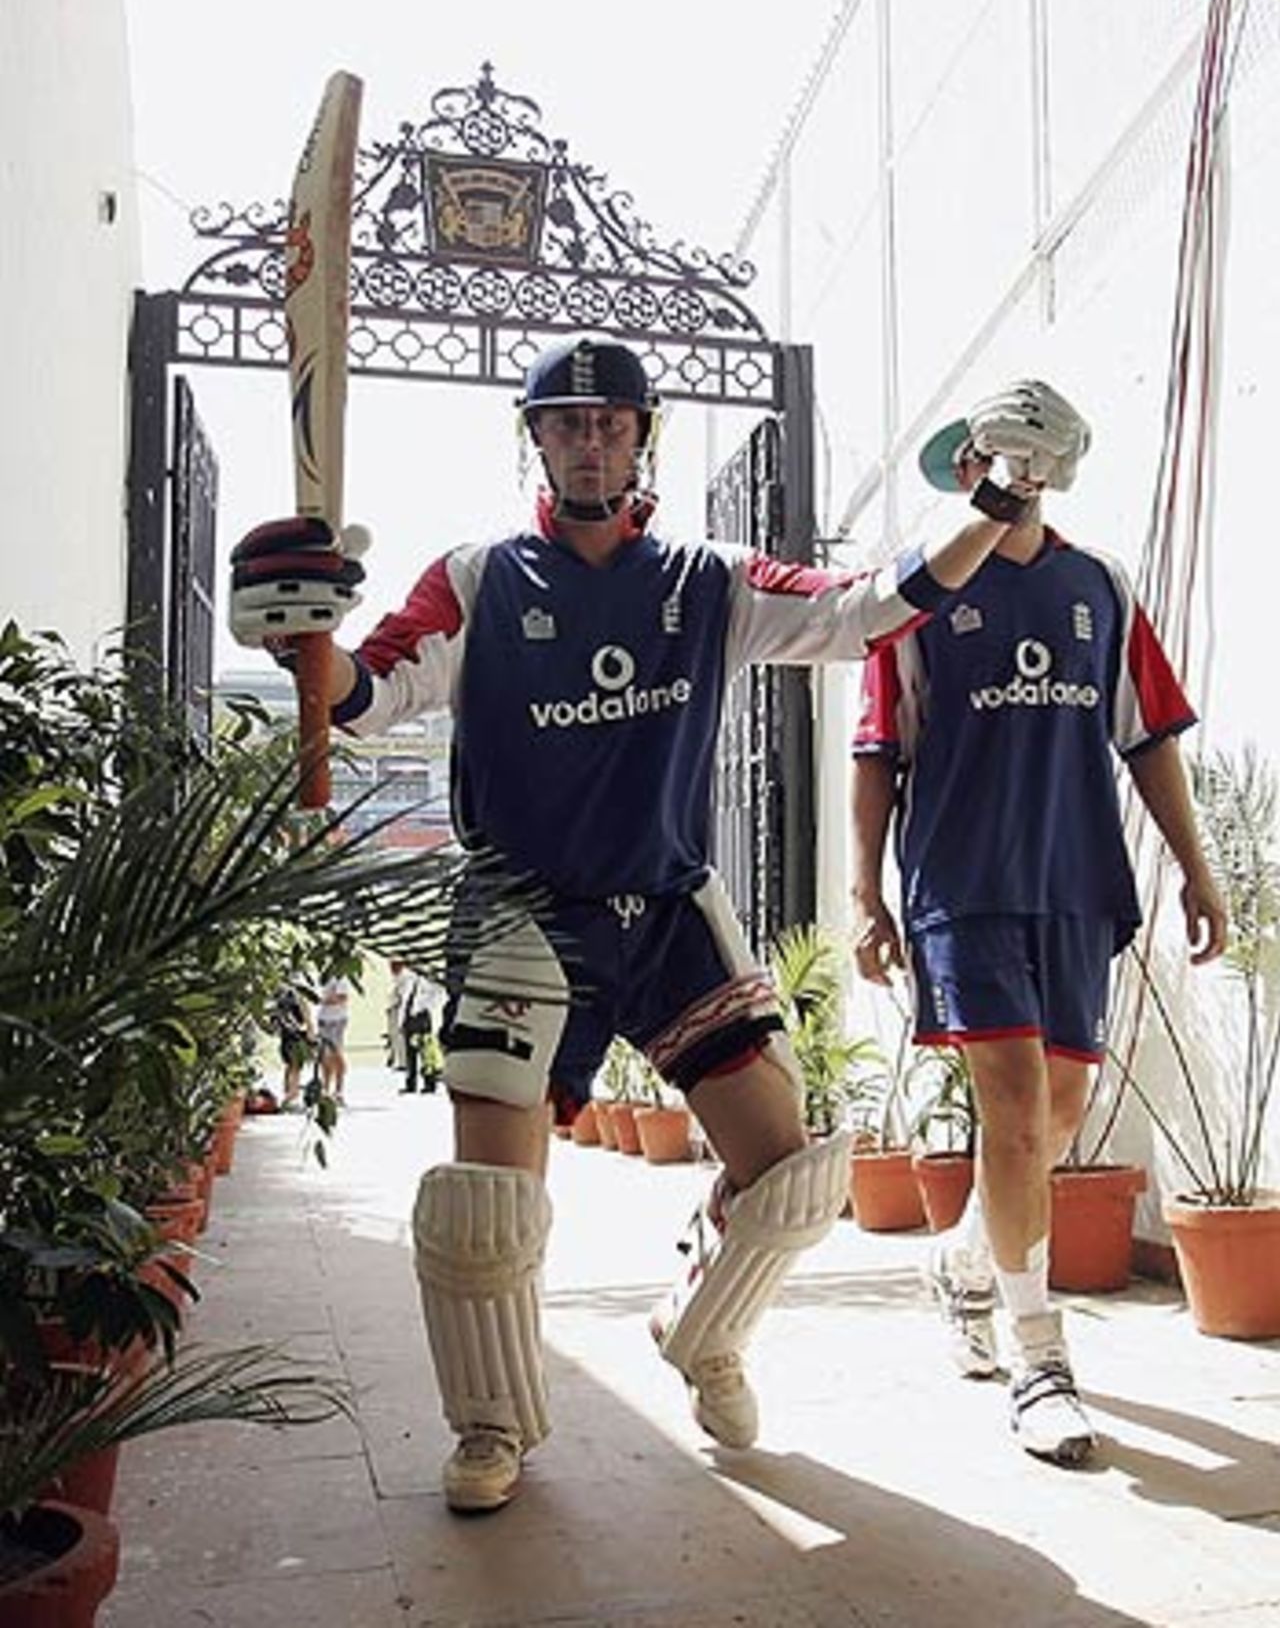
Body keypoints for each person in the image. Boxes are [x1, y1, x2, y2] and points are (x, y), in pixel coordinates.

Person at [229, 331, 1020, 1515]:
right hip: (518, 911)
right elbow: (364, 696)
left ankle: (701, 1336)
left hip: (665, 906)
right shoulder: (478, 578)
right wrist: (305, 636)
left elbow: (864, 610)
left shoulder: (706, 579)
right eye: (565, 422)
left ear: (641, 437)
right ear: (533, 439)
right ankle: (489, 1422)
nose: (588, 442)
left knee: (795, 1172)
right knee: (485, 1200)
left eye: (610, 422)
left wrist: (997, 504)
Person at [849, 378, 1227, 1467]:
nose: (990, 483)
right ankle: (1037, 1356)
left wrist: (1195, 874)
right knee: (1011, 1107)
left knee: (1057, 1113)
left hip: (1075, 879)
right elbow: (876, 756)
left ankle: (970, 1258)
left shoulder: (1095, 585)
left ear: (1043, 468)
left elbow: (1145, 735)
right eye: (977, 465)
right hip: (959, 883)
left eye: (1011, 465)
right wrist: (865, 894)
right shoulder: (916, 596)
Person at [269, 982, 314, 1111]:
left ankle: (289, 1096)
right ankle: (291, 1097)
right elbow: (305, 1011)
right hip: (295, 1036)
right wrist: (310, 1029)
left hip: (287, 1035)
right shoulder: (293, 993)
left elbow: (274, 1021)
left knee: (291, 1066)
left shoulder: (278, 995)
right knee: (295, 1067)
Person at [399, 967, 444, 1094]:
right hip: (409, 1017)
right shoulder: (410, 978)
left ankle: (429, 1083)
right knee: (410, 1053)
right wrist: (401, 1021)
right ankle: (410, 1084)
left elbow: (439, 994)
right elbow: (405, 999)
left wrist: (426, 1006)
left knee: (426, 1052)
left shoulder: (430, 980)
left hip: (422, 1017)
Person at [316, 975, 350, 1105]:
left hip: (337, 1020)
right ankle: (325, 1089)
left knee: (336, 1054)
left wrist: (322, 999)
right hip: (323, 1019)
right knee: (324, 1056)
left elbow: (343, 997)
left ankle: (339, 1091)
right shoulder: (322, 977)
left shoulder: (340, 977)